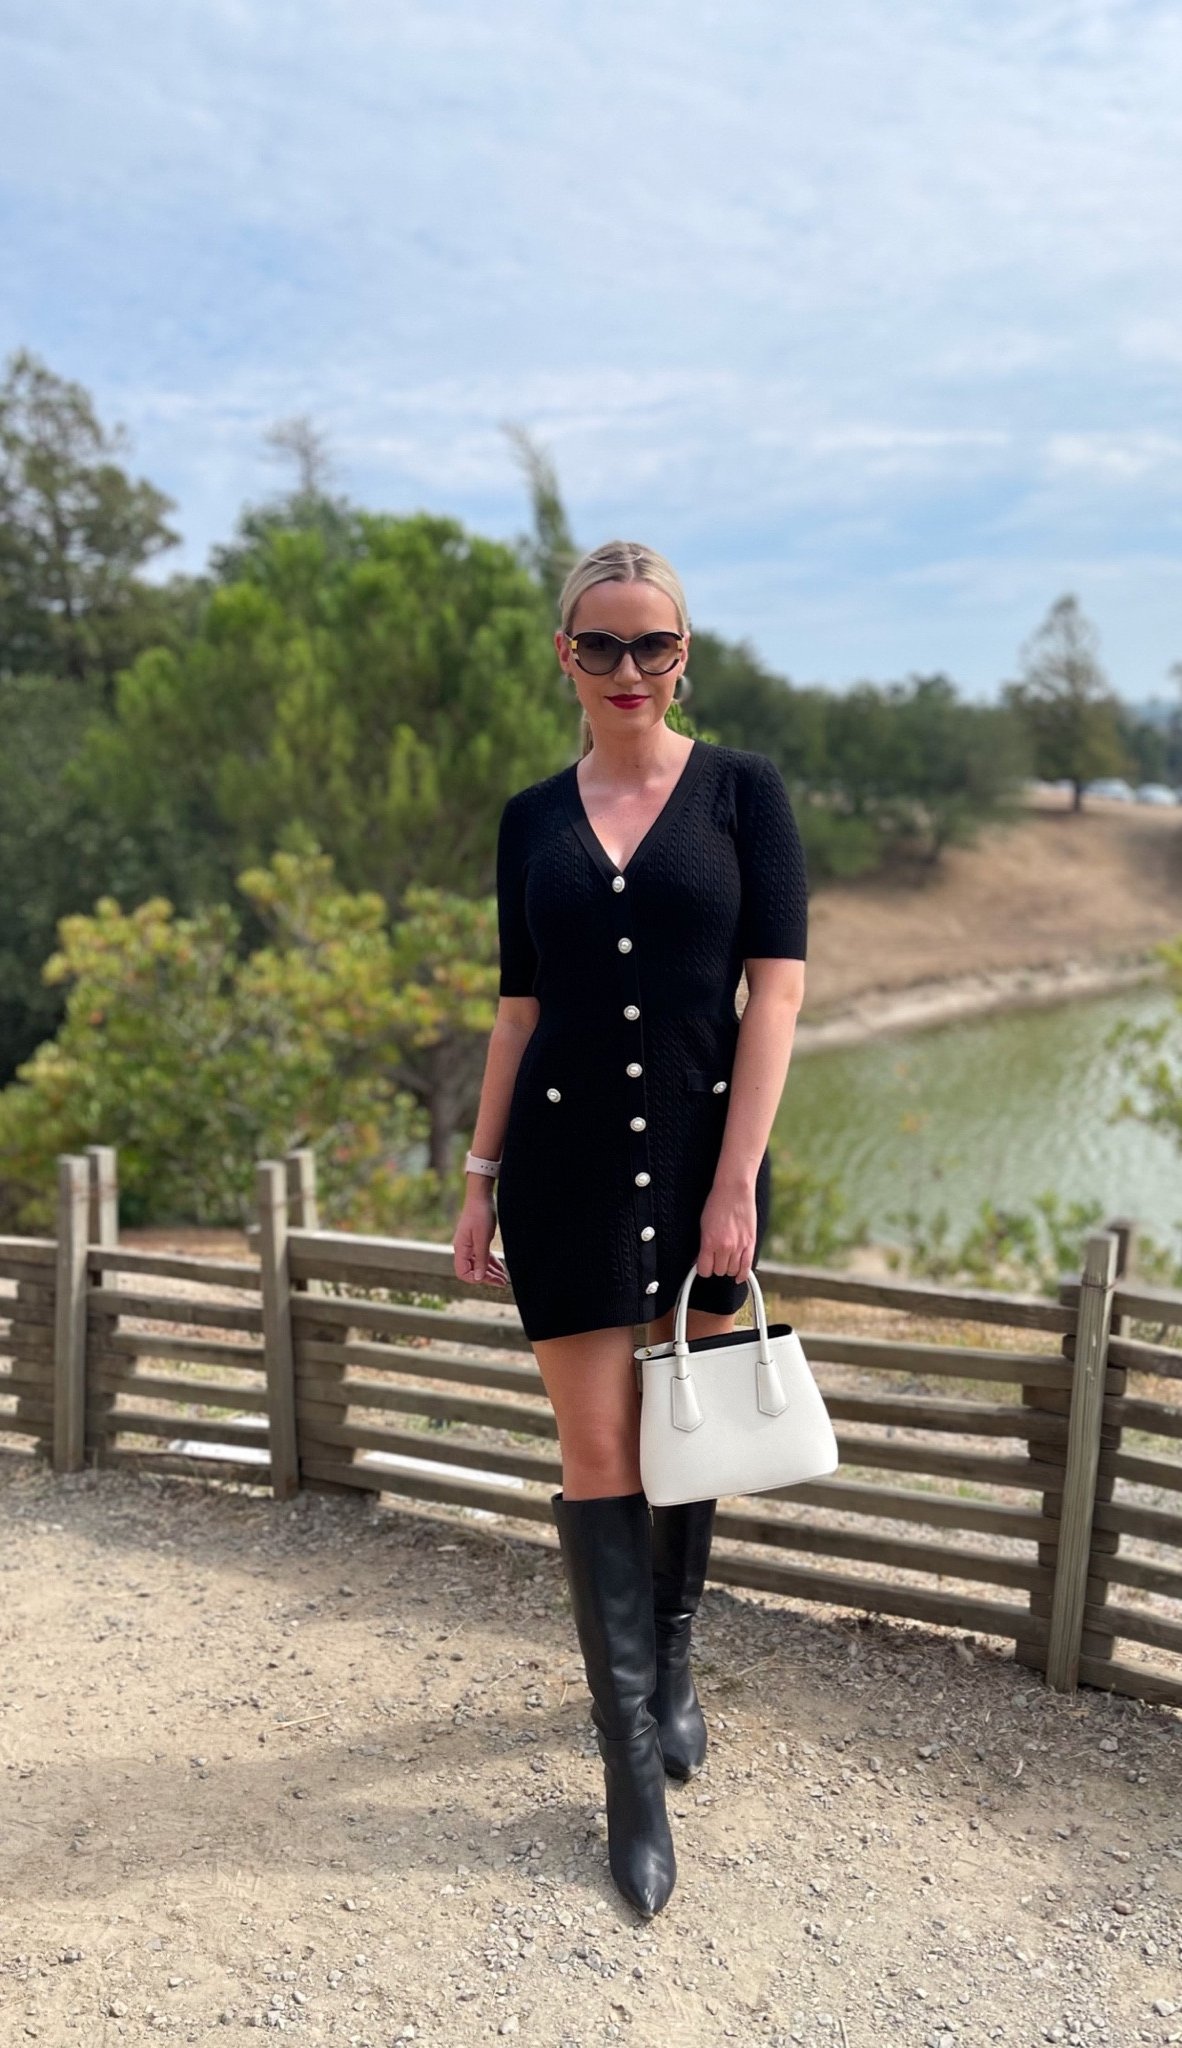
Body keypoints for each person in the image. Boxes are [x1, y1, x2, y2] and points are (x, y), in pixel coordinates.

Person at [453, 540, 807, 1916]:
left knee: (687, 1433)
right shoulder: (529, 819)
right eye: (598, 645)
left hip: (707, 1168)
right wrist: (480, 1178)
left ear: (684, 653)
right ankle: (630, 1784)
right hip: (561, 1171)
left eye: (650, 645)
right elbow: (516, 1013)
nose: (626, 670)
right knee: (598, 1453)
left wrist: (737, 1180)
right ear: (565, 656)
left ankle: (671, 1655)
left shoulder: (743, 797)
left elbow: (771, 998)